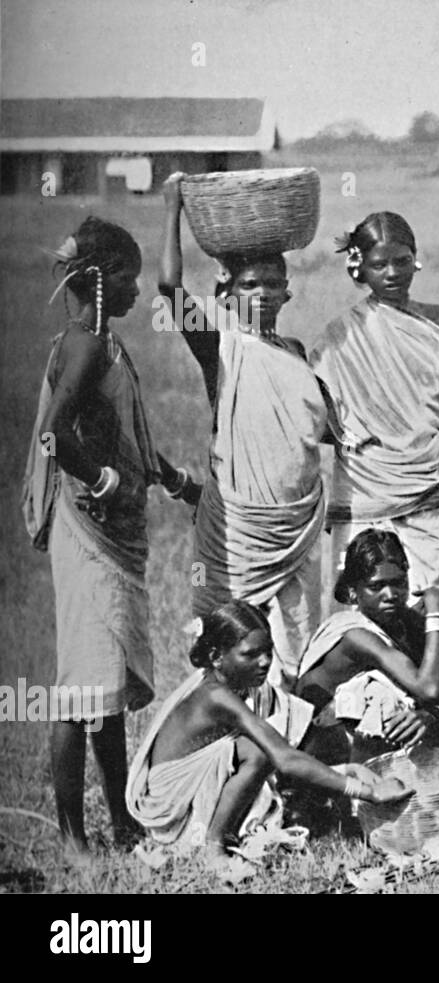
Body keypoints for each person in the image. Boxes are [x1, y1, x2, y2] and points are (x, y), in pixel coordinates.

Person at [21, 217, 200, 857]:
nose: (137, 287)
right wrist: (103, 484)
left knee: (108, 686)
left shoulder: (104, 340)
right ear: (98, 277)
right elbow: (57, 433)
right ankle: (73, 841)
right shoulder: (85, 346)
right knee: (78, 691)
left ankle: (122, 824)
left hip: (113, 534)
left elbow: (125, 437)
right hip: (89, 531)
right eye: (127, 274)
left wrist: (179, 484)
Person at [158, 172, 332, 684]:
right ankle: (219, 751)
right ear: (226, 291)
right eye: (249, 284)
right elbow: (168, 288)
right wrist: (173, 207)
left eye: (273, 283)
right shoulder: (222, 348)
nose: (263, 293)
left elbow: (311, 432)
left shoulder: (295, 355)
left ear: (288, 291)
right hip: (237, 528)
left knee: (297, 655)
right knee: (224, 645)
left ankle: (286, 753)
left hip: (296, 527)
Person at [126, 601, 409, 854]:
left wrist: (344, 770)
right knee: (258, 751)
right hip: (172, 807)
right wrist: (366, 791)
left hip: (196, 788)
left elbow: (292, 742)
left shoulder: (244, 687)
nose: (264, 662)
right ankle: (213, 843)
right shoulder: (216, 695)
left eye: (268, 652)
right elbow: (282, 758)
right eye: (250, 654)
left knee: (273, 741)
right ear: (216, 657)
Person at [311, 211, 439, 631]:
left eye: (401, 261)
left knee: (434, 610)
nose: (392, 273)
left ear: (416, 259)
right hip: (365, 492)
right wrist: (356, 437)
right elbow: (313, 419)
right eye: (379, 264)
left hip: (428, 494)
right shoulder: (341, 336)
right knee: (359, 618)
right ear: (359, 268)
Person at [295, 529, 439, 765]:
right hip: (321, 747)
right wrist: (436, 614)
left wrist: (431, 715)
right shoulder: (356, 636)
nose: (391, 595)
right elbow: (430, 689)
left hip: (359, 743)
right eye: (376, 587)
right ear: (354, 592)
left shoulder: (405, 620)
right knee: (384, 700)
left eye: (398, 583)